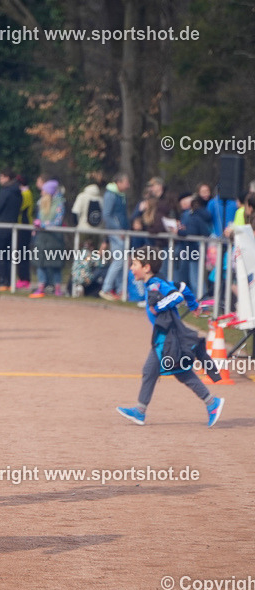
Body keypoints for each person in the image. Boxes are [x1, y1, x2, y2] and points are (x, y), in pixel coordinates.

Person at [116, 246, 224, 428]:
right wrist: (193, 306)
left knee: (154, 370)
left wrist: (157, 308)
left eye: (134, 264)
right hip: (164, 337)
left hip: (167, 338)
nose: (131, 268)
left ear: (146, 267)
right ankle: (211, 402)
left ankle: (141, 411)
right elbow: (183, 287)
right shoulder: (158, 282)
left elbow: (176, 296)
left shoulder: (154, 285)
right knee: (176, 372)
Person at [29, 179, 66, 298]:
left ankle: (57, 288)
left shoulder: (59, 203)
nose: (42, 193)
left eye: (44, 190)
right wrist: (37, 224)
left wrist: (44, 225)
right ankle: (41, 287)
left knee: (55, 264)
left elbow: (58, 222)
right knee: (40, 263)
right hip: (41, 238)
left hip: (54, 238)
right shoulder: (41, 203)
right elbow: (39, 218)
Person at [99, 172, 131, 301]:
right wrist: (118, 230)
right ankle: (106, 289)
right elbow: (107, 215)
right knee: (118, 261)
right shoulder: (111, 195)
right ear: (119, 182)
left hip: (120, 232)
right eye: (126, 182)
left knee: (121, 262)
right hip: (116, 233)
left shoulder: (119, 195)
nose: (128, 185)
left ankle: (119, 290)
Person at [0, 168, 21, 289]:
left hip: (1, 227)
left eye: (1, 176)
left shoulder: (6, 191)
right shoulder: (18, 191)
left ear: (7, 177)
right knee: (8, 256)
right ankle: (9, 281)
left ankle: (3, 280)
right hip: (12, 227)